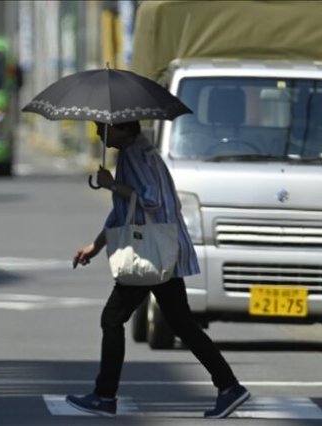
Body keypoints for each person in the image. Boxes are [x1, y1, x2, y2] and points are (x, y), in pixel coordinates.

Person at [66, 120, 250, 419]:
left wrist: (112, 184)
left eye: (103, 127)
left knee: (112, 319)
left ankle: (104, 395)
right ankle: (229, 386)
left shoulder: (135, 155)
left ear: (123, 128)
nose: (99, 133)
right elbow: (124, 210)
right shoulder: (142, 152)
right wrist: (96, 245)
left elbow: (149, 200)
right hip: (162, 249)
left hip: (150, 252)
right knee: (181, 324)